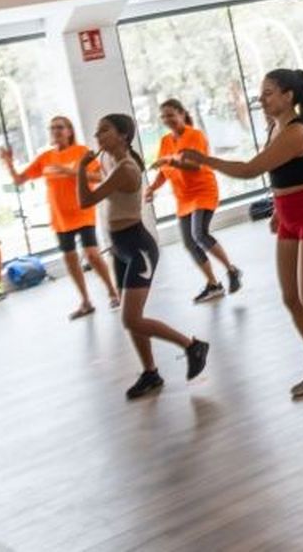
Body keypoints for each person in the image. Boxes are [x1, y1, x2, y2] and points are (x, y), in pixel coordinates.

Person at [183, 70, 303, 397]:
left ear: (290, 95)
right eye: (262, 94)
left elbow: (250, 170)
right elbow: (281, 174)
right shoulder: (275, 128)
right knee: (292, 299)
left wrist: (205, 160)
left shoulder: (297, 131)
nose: (262, 98)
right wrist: (278, 209)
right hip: (290, 217)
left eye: (269, 92)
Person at [78, 114, 209, 400]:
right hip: (120, 247)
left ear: (124, 135)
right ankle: (150, 372)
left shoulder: (125, 168)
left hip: (138, 247)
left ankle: (192, 346)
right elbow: (102, 184)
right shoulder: (107, 160)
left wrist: (78, 170)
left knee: (130, 319)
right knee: (133, 318)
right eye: (97, 130)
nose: (98, 135)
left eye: (105, 130)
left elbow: (86, 200)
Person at [0, 117, 119, 320]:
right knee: (70, 259)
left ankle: (112, 292)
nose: (55, 131)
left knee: (92, 255)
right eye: (52, 128)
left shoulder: (81, 152)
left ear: (69, 131)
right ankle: (85, 301)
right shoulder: (45, 157)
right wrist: (8, 163)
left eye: (60, 127)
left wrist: (70, 171)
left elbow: (100, 177)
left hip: (83, 211)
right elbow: (19, 180)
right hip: (60, 217)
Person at [146, 99, 243, 304]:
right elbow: (164, 171)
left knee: (199, 234)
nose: (167, 120)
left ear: (182, 114)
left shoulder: (195, 135)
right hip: (184, 197)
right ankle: (213, 284)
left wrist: (170, 161)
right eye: (163, 116)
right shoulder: (165, 141)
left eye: (171, 115)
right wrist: (153, 188)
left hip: (202, 191)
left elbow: (195, 166)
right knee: (190, 243)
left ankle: (232, 271)